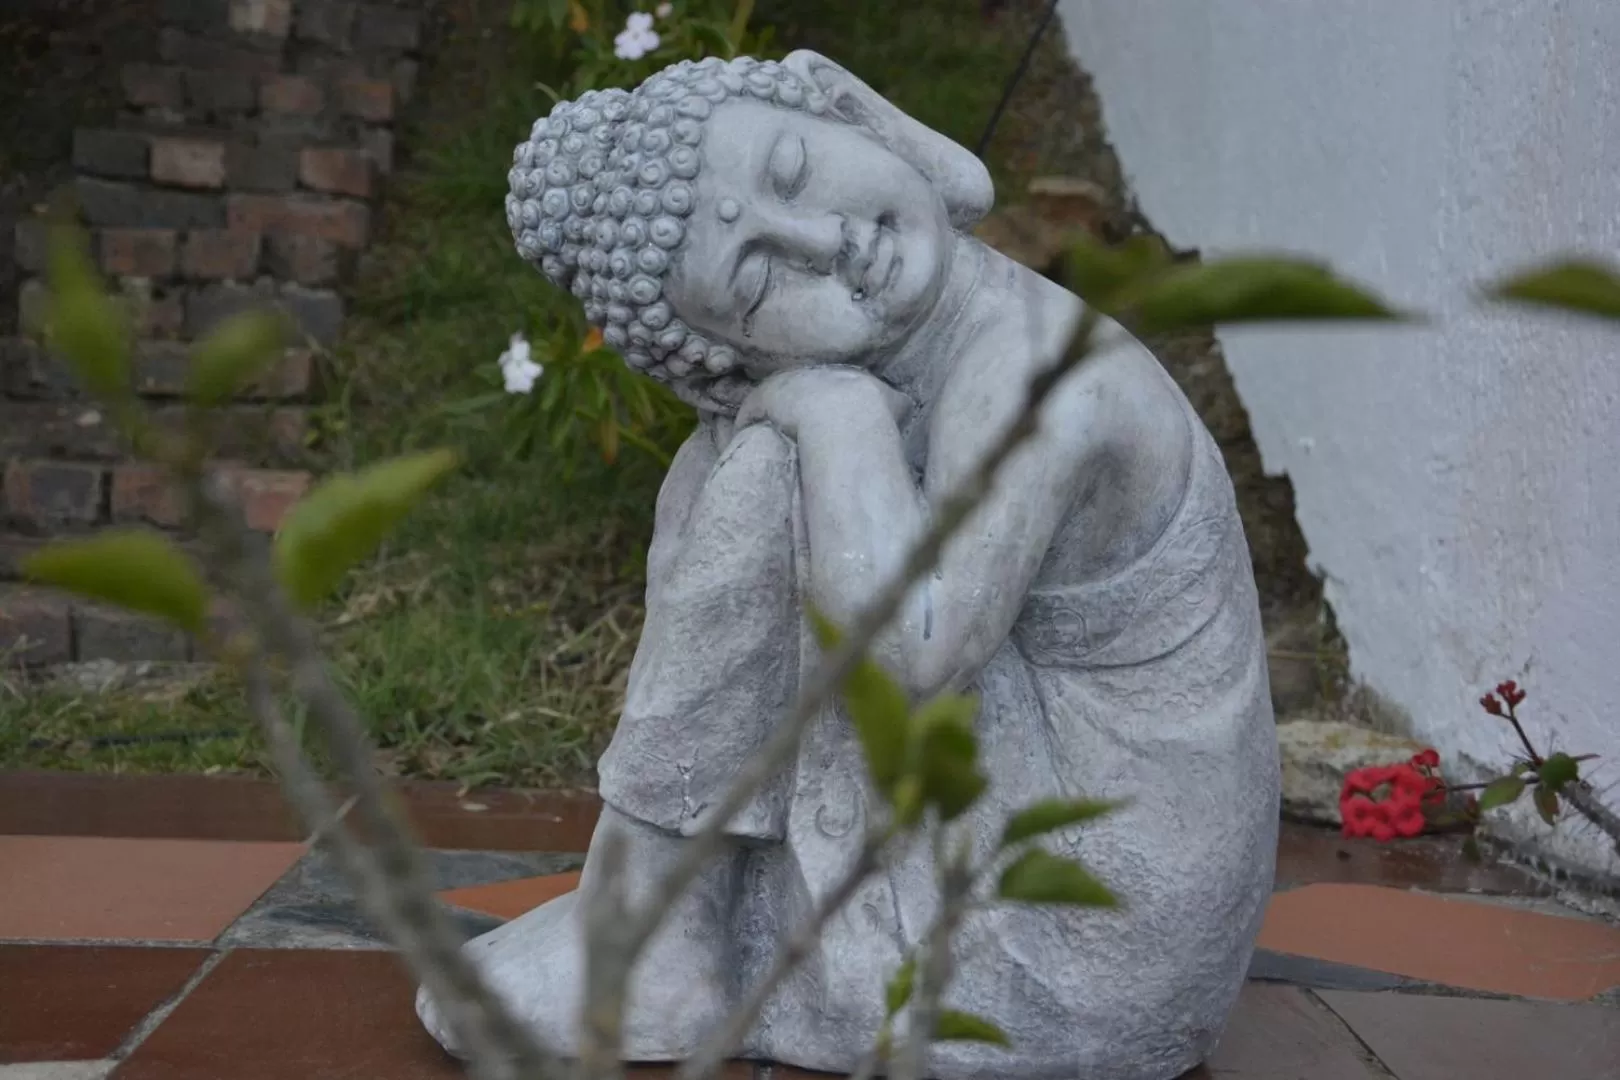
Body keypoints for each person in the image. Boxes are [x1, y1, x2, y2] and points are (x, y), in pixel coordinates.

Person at [419, 52, 1280, 1080]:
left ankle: (657, 940)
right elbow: (958, 186)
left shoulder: (1037, 377)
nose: (826, 242)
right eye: (759, 283)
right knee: (724, 465)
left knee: (779, 470)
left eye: (793, 171)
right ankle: (654, 914)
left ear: (850, 124)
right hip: (1038, 821)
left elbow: (919, 653)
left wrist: (833, 409)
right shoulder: (941, 324)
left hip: (1094, 928)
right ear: (735, 354)